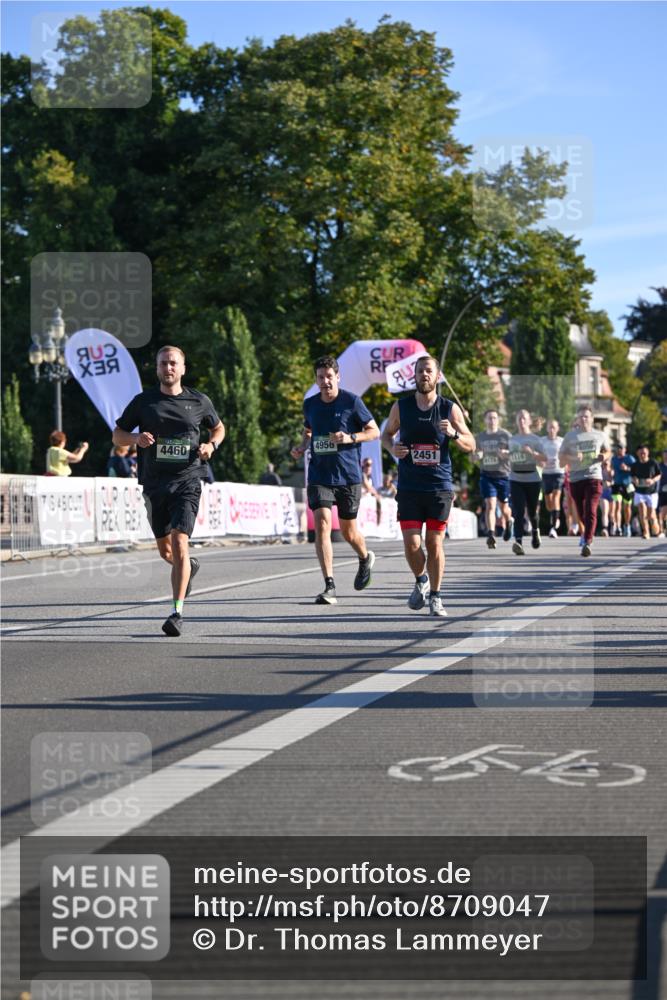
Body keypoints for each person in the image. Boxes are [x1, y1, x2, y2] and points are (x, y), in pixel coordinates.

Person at [113, 345, 225, 636]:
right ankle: (188, 567)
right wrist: (135, 438)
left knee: (179, 542)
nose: (168, 368)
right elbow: (117, 435)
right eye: (163, 363)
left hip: (188, 480)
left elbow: (219, 428)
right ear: (157, 368)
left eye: (173, 363)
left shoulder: (198, 400)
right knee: (166, 552)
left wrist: (211, 445)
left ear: (183, 368)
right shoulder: (144, 402)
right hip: (154, 484)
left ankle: (177, 612)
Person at [381, 354, 475, 617]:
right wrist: (392, 448)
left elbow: (471, 444)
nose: (424, 374)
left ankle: (435, 595)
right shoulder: (401, 407)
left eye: (429, 371)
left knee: (434, 543)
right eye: (420, 370)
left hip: (438, 487)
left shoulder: (449, 409)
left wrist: (454, 434)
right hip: (409, 487)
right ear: (414, 375)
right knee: (412, 544)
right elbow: (386, 435)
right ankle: (421, 579)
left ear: (437, 376)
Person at [290, 355, 379, 604]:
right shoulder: (310, 404)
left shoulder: (352, 401)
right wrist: (302, 446)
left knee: (349, 532)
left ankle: (364, 557)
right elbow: (309, 430)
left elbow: (374, 431)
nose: (325, 381)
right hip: (320, 474)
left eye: (329, 376)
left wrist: (350, 437)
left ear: (338, 377)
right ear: (316, 380)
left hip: (348, 475)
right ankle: (329, 585)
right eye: (321, 377)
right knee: (322, 523)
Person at [558, 404, 610, 557]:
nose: (583, 419)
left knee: (591, 509)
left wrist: (604, 456)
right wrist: (573, 457)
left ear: (592, 419)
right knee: (581, 513)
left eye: (586, 416)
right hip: (575, 479)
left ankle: (587, 541)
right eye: (581, 417)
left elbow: (608, 451)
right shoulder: (570, 436)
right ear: (577, 419)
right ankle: (587, 534)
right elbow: (561, 459)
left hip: (594, 477)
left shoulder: (600, 435)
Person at [508, 410, 547, 555]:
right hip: (515, 479)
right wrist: (505, 456)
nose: (521, 421)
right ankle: (518, 542)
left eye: (524, 418)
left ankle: (535, 531)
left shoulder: (536, 439)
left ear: (529, 421)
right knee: (518, 511)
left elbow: (544, 459)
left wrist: (532, 453)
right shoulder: (512, 440)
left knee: (532, 511)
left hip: (532, 479)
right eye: (519, 419)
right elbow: (510, 458)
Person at [473, 408, 512, 549]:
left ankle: (509, 521)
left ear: (498, 420)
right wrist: (476, 456)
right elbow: (472, 457)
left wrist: (506, 453)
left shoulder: (505, 435)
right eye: (489, 418)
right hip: (487, 475)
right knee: (490, 505)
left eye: (495, 418)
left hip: (503, 475)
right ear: (485, 420)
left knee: (504, 508)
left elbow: (515, 453)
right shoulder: (480, 437)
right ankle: (491, 535)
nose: (492, 420)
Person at [539, 419, 564, 538]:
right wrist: (541, 461)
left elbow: (566, 455)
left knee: (556, 498)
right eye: (550, 427)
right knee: (549, 503)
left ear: (557, 429)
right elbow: (537, 455)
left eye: (554, 427)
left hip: (558, 472)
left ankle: (553, 528)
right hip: (546, 473)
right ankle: (555, 516)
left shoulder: (561, 441)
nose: (552, 429)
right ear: (547, 428)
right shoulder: (542, 441)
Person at [631, 444, 661, 539]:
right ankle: (646, 532)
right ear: (637, 453)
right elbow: (632, 476)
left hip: (652, 492)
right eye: (641, 453)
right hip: (639, 491)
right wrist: (635, 479)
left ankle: (656, 527)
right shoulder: (635, 464)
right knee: (642, 511)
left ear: (648, 452)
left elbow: (659, 475)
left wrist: (652, 480)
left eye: (644, 452)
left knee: (651, 515)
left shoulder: (653, 463)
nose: (642, 454)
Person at [610, 443, 636, 537]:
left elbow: (636, 469)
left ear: (625, 449)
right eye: (618, 448)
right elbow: (611, 468)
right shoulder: (614, 459)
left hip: (627, 485)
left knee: (627, 508)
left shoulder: (630, 458)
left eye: (621, 448)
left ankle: (627, 525)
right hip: (617, 485)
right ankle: (618, 527)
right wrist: (611, 473)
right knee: (617, 506)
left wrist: (627, 468)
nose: (619, 450)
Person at [659, 449, 667, 537]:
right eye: (665, 454)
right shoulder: (659, 466)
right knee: (662, 512)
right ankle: (661, 530)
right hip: (662, 492)